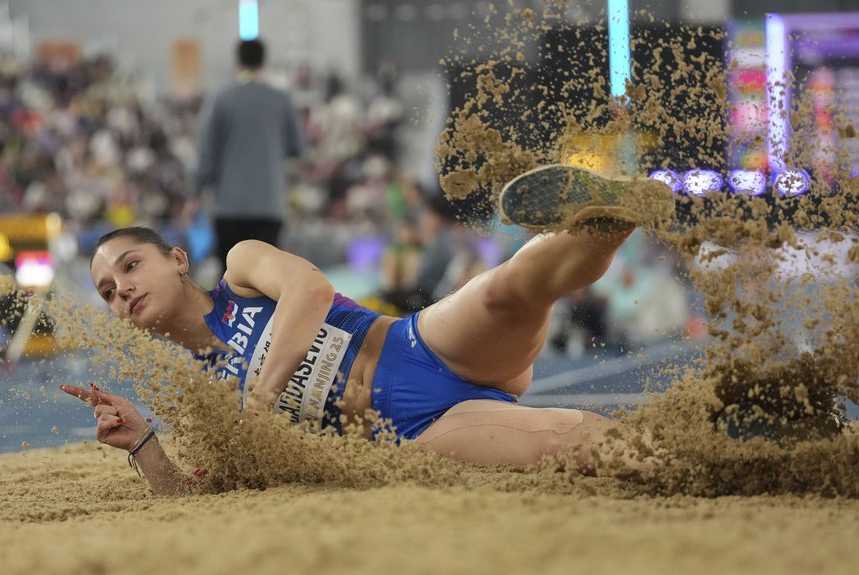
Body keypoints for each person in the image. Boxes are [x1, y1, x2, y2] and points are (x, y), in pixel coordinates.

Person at [63, 165, 667, 495]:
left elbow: (312, 291)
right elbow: (209, 487)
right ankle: (693, 460)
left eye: (131, 266)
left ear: (175, 258)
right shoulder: (196, 394)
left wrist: (261, 393)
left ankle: (608, 218)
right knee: (557, 442)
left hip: (418, 346)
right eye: (109, 292)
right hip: (413, 430)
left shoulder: (241, 268)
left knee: (510, 288)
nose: (124, 290)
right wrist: (144, 444)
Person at [193, 38, 305, 267]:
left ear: (238, 60)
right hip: (269, 205)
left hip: (228, 207)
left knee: (230, 279)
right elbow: (297, 147)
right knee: (265, 278)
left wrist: (196, 191)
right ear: (264, 60)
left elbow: (207, 150)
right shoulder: (281, 99)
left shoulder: (221, 97)